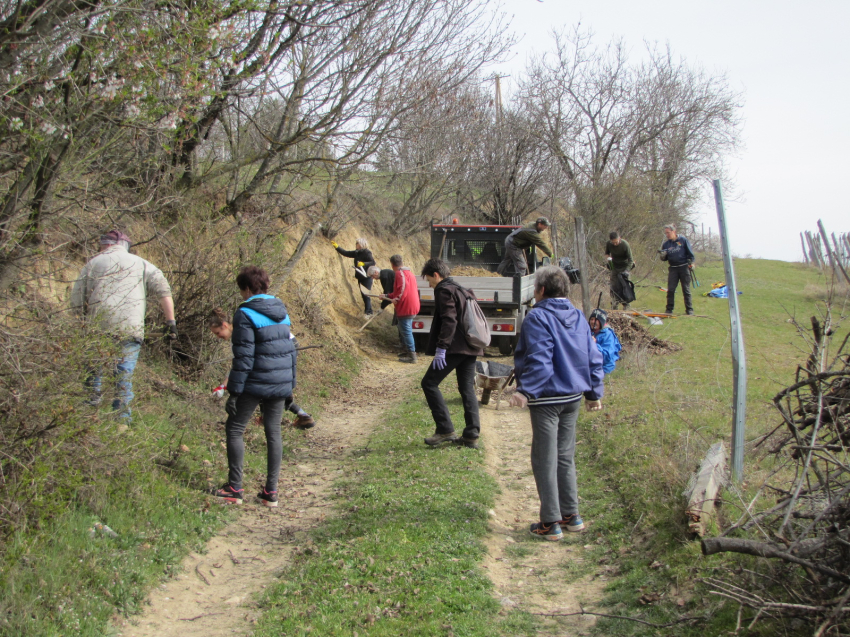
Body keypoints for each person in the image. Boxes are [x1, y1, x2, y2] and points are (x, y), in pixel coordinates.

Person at [509, 266, 604, 541]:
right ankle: (571, 515)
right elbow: (593, 355)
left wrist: (525, 391)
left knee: (544, 457)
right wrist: (593, 393)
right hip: (573, 397)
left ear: (540, 290)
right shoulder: (576, 314)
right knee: (564, 456)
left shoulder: (537, 316)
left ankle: (550, 523)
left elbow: (540, 358)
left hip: (548, 399)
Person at [212, 266, 297, 507]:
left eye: (241, 290)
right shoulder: (282, 310)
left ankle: (234, 488)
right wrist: (290, 385)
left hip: (255, 382)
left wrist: (234, 392)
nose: (241, 294)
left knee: (235, 428)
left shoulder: (245, 313)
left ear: (247, 289)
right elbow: (291, 350)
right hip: (280, 382)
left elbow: (244, 358)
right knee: (274, 432)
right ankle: (271, 492)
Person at [71, 230, 176, 422]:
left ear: (105, 245)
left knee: (93, 373)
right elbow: (163, 290)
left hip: (97, 327)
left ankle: (88, 418)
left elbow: (77, 300)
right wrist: (171, 323)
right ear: (125, 246)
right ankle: (122, 422)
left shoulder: (92, 264)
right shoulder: (141, 263)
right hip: (130, 328)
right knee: (123, 378)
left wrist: (80, 325)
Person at [209, 307, 314, 429]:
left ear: (225, 325)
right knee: (266, 383)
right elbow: (240, 366)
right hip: (285, 342)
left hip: (284, 344)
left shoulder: (240, 333)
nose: (218, 337)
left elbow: (239, 367)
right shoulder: (239, 329)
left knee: (265, 383)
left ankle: (300, 416)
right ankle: (301, 415)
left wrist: (222, 387)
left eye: (217, 333)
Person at [420, 258, 483, 449]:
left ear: (436, 275)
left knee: (429, 383)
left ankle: (445, 429)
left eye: (429, 280)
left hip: (455, 347)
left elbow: (450, 320)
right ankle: (472, 435)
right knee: (467, 389)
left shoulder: (443, 290)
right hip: (471, 347)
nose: (430, 284)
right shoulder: (461, 289)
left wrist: (441, 348)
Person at [378, 255, 421, 363]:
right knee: (404, 328)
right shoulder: (409, 273)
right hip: (412, 305)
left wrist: (396, 299)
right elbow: (399, 291)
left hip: (406, 306)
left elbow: (402, 289)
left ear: (392, 264)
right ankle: (408, 351)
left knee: (406, 331)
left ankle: (412, 356)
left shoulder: (399, 273)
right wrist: (387, 296)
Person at [331, 237, 376, 317]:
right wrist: (337, 247)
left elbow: (373, 262)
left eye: (357, 243)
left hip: (367, 277)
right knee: (363, 294)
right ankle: (369, 311)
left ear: (361, 244)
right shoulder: (357, 252)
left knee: (366, 294)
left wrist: (363, 264)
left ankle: (368, 313)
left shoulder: (367, 252)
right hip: (360, 276)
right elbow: (346, 253)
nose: (356, 244)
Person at [659, 224, 696, 315]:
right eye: (666, 233)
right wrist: (663, 256)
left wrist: (692, 263)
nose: (667, 235)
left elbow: (690, 253)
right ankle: (669, 310)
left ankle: (689, 310)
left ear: (674, 231)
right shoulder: (666, 244)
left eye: (668, 233)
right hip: (673, 269)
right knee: (671, 289)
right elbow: (664, 258)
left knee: (686, 289)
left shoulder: (683, 240)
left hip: (684, 267)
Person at [605, 231, 635, 310]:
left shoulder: (625, 245)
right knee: (614, 286)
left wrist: (627, 270)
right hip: (614, 266)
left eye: (616, 242)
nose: (615, 244)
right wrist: (608, 260)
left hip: (624, 266)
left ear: (619, 239)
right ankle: (615, 304)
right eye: (613, 242)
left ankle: (626, 305)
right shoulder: (609, 244)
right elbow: (607, 253)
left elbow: (631, 260)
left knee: (624, 287)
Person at [589, 308, 621, 375]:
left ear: (601, 321)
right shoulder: (590, 332)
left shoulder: (608, 335)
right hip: (591, 367)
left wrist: (594, 344)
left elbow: (606, 357)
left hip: (604, 368)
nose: (592, 322)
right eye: (591, 319)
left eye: (596, 320)